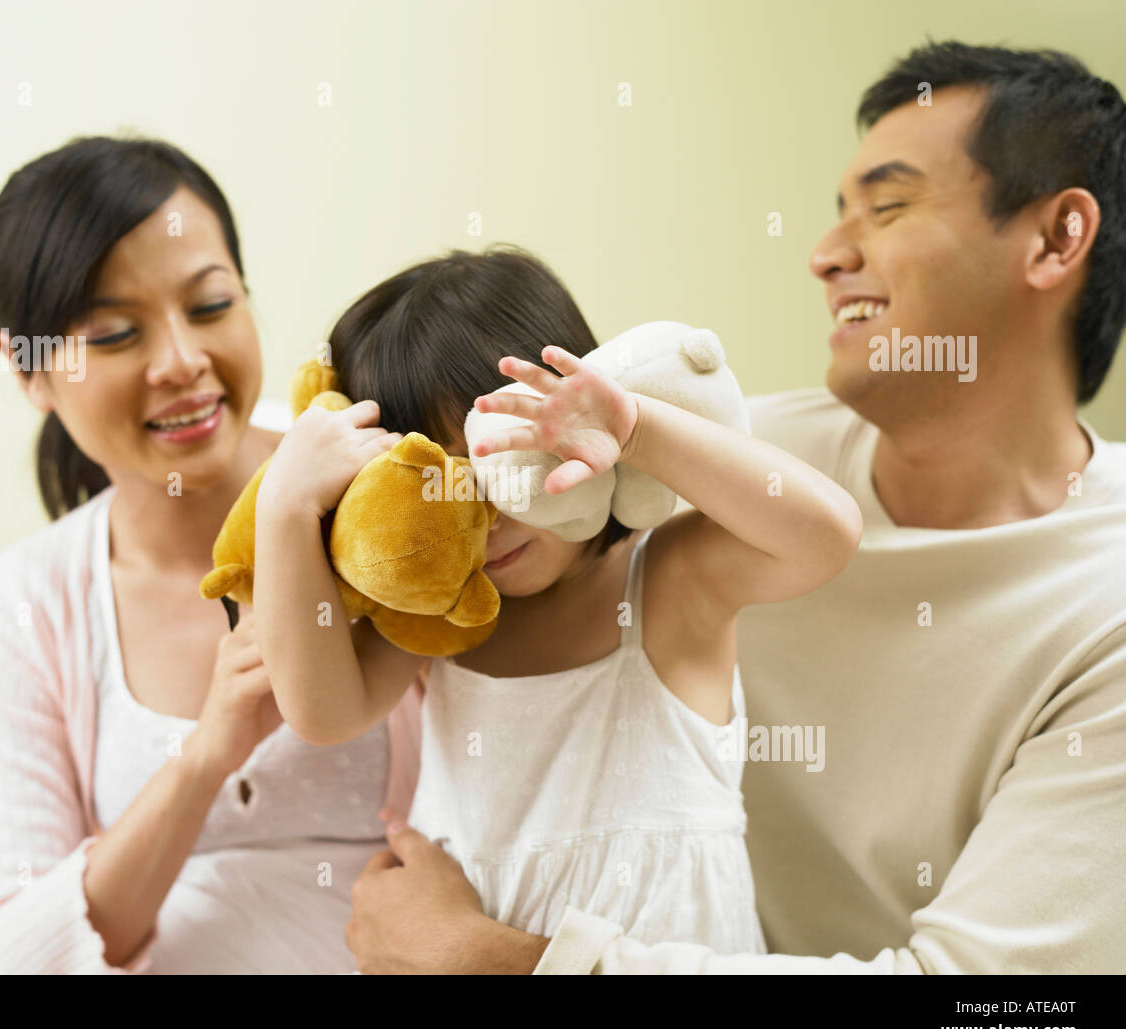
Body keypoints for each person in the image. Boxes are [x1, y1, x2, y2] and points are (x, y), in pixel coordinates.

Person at [345, 41, 1126, 974]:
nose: (827, 254)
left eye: (888, 206)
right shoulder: (711, 457)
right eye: (837, 215)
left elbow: (992, 1014)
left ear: (1054, 238)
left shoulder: (1102, 610)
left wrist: (490, 961)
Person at [250, 247, 862, 954]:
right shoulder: (439, 617)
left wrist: (638, 431)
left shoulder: (665, 581)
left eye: (506, 459)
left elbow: (827, 536)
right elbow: (323, 712)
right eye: (441, 487)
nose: (490, 512)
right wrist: (284, 506)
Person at [0, 136, 422, 974]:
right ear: (28, 371)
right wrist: (207, 752)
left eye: (209, 307)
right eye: (114, 333)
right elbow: (14, 958)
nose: (182, 362)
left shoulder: (384, 498)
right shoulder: (30, 601)